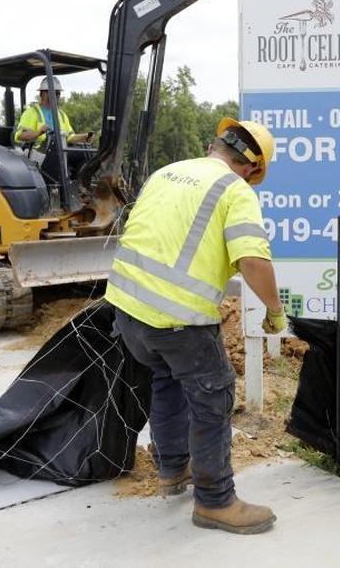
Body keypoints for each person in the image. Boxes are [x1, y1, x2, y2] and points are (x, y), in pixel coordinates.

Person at [105, 117, 287, 535]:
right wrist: (275, 312)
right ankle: (215, 500)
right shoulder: (234, 189)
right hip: (177, 319)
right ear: (252, 168)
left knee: (167, 379)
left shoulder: (165, 173)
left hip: (127, 311)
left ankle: (172, 471)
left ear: (215, 145)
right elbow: (253, 261)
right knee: (214, 397)